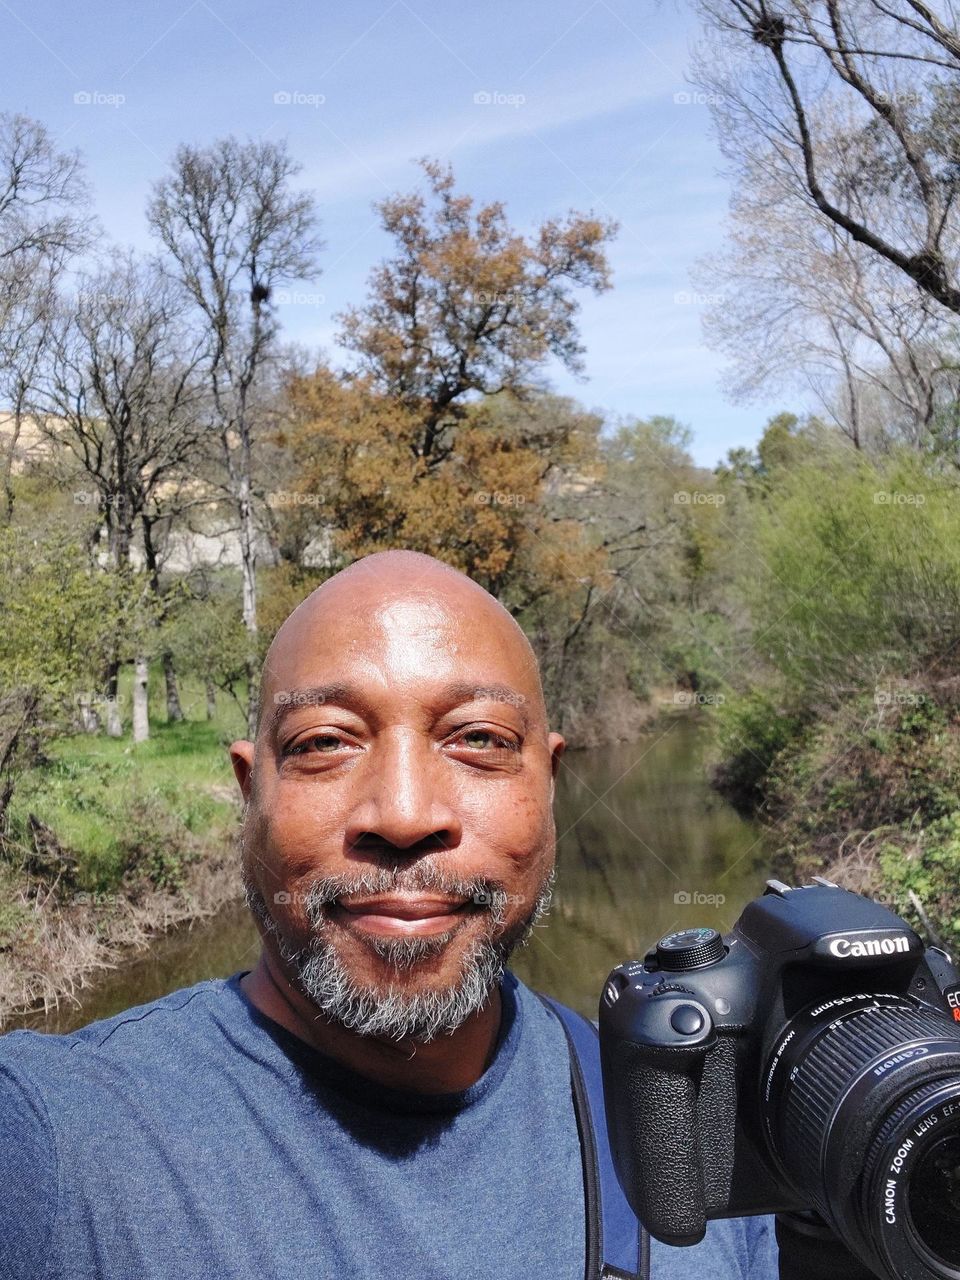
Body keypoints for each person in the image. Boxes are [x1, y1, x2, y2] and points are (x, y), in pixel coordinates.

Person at [0, 550, 779, 1279]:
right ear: (251, 795)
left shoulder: (700, 1131)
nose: (404, 815)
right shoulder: (53, 1144)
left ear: (548, 782)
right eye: (324, 743)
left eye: (477, 738)